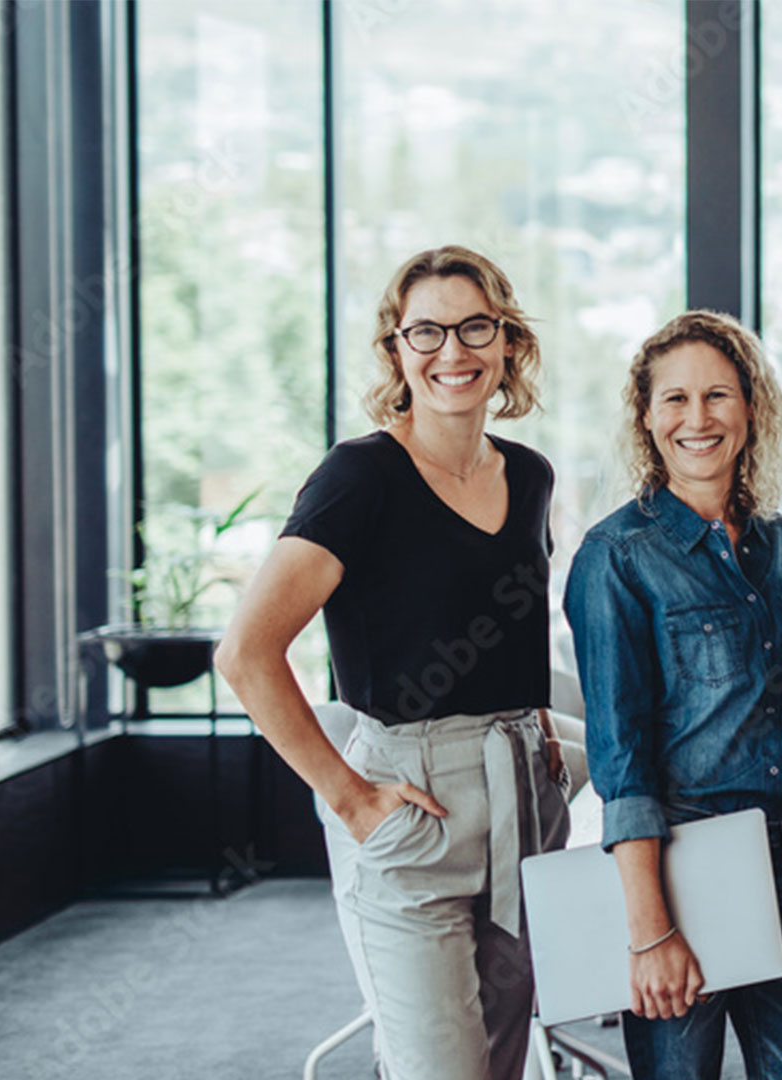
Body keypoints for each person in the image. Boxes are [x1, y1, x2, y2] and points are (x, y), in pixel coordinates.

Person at [215, 245, 569, 1080]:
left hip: (525, 799)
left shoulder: (530, 475)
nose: (454, 351)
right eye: (427, 332)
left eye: (475, 327)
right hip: (414, 805)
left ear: (507, 339)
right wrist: (351, 798)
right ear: (397, 349)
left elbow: (510, 627)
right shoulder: (360, 476)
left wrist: (541, 729)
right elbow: (246, 654)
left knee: (504, 1062)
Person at [564, 310, 782, 1079]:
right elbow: (620, 758)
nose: (698, 419)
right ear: (646, 417)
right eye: (676, 399)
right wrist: (650, 930)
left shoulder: (779, 542)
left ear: (751, 408)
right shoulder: (615, 557)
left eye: (718, 395)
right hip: (681, 865)